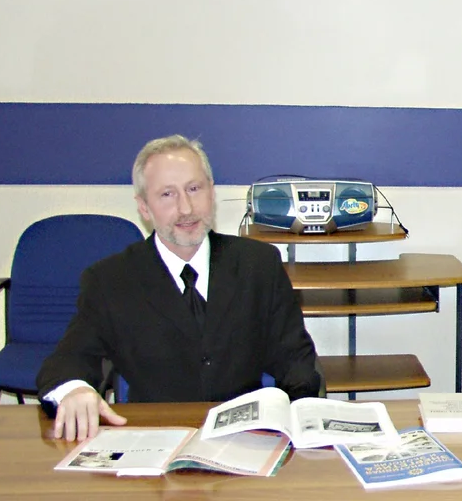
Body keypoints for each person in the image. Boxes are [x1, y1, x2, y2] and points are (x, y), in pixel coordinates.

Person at [37, 135, 322, 441]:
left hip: (245, 438)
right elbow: (69, 359)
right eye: (167, 194)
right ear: (144, 208)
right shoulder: (110, 279)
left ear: (211, 192)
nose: (186, 208)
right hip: (154, 438)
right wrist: (75, 390)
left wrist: (301, 422)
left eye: (194, 189)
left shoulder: (259, 264)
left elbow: (296, 359)